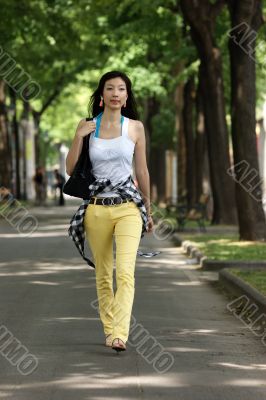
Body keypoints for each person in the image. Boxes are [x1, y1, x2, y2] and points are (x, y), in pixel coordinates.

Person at [66, 70, 154, 353]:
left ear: (127, 96)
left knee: (125, 273)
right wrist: (78, 137)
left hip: (128, 207)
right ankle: (109, 329)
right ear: (101, 95)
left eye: (121, 89)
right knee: (103, 274)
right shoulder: (88, 126)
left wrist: (148, 210)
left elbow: (141, 170)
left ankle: (120, 334)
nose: (115, 93)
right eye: (109, 89)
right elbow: (70, 169)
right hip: (95, 209)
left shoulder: (136, 128)